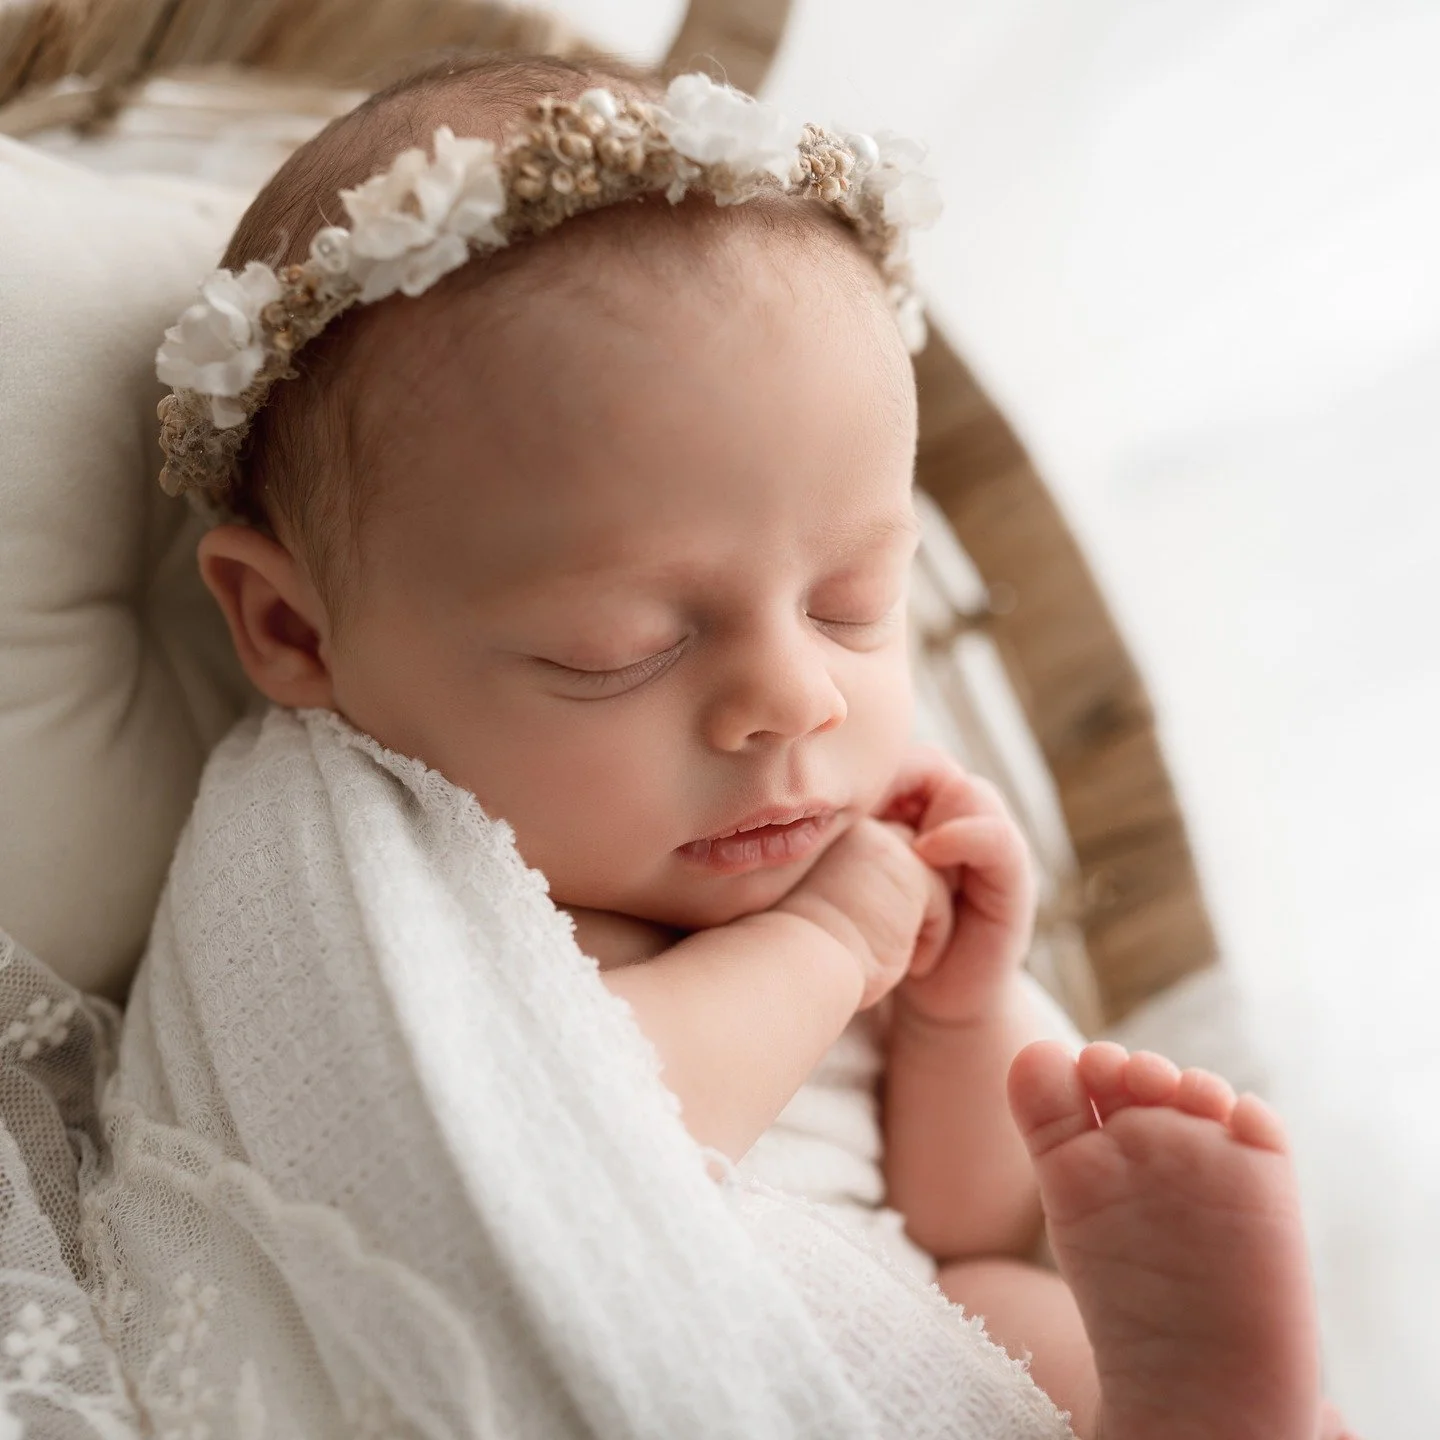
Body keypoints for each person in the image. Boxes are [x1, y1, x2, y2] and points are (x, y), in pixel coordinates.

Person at [155, 49, 1349, 1439]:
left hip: (872, 1314)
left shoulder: (842, 845)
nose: (794, 699)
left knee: (1005, 1304)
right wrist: (829, 949)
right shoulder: (344, 848)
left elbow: (957, 1221)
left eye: (854, 604)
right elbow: (545, 1142)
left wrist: (959, 1019)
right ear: (295, 631)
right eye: (620, 647)